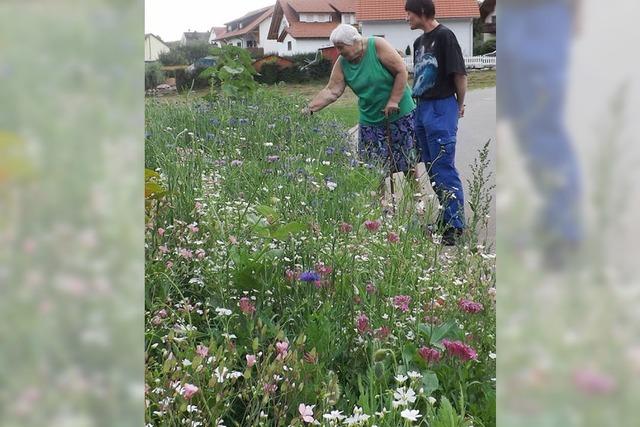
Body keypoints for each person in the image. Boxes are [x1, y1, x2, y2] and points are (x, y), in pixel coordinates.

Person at [303, 24, 416, 174]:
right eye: (337, 47)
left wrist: (393, 100)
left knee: (407, 163)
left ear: (355, 41)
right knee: (373, 169)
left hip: (399, 113)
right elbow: (332, 90)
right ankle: (378, 198)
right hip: (370, 119)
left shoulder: (376, 45)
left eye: (341, 47)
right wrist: (309, 109)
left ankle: (416, 197)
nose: (339, 52)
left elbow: (401, 70)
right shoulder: (342, 62)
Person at [405, 0, 467, 245]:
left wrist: (459, 105)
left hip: (441, 106)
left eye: (408, 13)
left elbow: (460, 74)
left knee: (443, 167)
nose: (406, 17)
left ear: (421, 12)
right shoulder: (419, 42)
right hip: (421, 107)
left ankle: (455, 225)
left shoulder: (445, 36)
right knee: (431, 168)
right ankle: (446, 215)